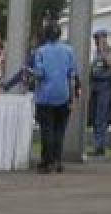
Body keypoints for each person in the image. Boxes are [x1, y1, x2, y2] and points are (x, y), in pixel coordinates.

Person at [30, 21, 78, 174]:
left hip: (45, 95)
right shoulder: (69, 51)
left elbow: (40, 74)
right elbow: (72, 75)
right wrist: (72, 97)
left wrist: (30, 74)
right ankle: (57, 160)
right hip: (63, 94)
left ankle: (47, 161)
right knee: (59, 130)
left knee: (47, 129)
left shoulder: (41, 52)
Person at [89, 29, 111, 157]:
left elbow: (109, 63)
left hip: (105, 86)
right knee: (95, 117)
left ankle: (100, 147)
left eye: (99, 38)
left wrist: (102, 48)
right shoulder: (95, 53)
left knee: (101, 117)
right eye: (95, 39)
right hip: (95, 86)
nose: (96, 41)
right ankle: (97, 145)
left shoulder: (110, 50)